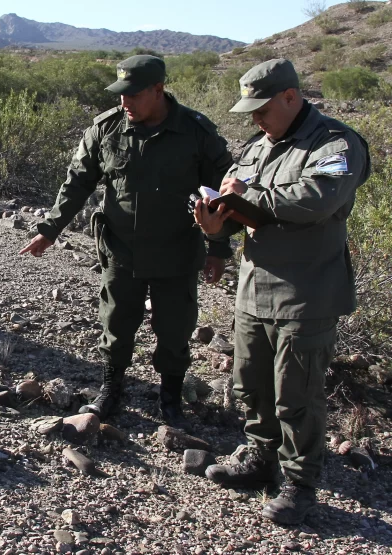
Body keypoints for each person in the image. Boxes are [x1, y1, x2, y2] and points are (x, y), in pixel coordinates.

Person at [194, 58, 370, 525]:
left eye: (262, 108)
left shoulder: (334, 142)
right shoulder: (257, 148)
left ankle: (300, 483)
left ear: (291, 97)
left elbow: (317, 199)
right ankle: (260, 459)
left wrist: (245, 199)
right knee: (250, 384)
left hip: (306, 292)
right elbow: (240, 208)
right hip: (255, 289)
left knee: (297, 394)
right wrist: (218, 221)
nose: (254, 118)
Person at [20, 55, 233, 429]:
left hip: (177, 251)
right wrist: (50, 230)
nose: (125, 103)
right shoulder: (107, 129)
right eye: (120, 94)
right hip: (122, 249)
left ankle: (170, 395)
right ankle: (111, 387)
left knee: (175, 328)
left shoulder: (197, 132)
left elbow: (220, 195)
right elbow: (77, 182)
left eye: (133, 95)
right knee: (117, 322)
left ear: (158, 89)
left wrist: (217, 248)